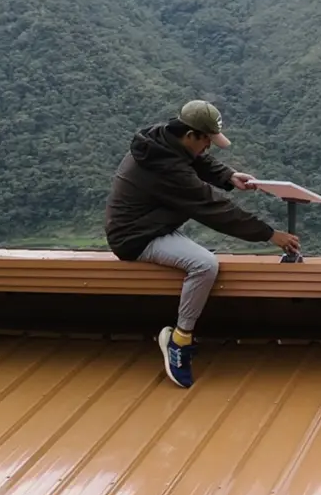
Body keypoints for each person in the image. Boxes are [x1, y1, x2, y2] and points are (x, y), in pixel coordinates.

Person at [104, 99, 301, 388]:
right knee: (204, 264)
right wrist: (270, 234)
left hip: (153, 223)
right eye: (206, 140)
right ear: (190, 134)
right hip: (136, 237)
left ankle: (180, 339)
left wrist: (229, 176)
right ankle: (179, 341)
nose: (208, 146)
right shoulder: (167, 169)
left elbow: (197, 160)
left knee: (201, 253)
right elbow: (214, 209)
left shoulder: (163, 140)